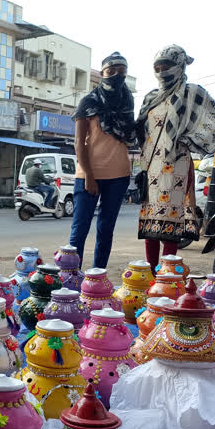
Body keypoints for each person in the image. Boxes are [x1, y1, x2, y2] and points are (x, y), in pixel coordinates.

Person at [136, 45, 215, 270]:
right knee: (150, 225)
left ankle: (167, 276)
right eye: (157, 68)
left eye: (166, 66)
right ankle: (151, 275)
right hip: (151, 166)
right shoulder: (151, 97)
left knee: (169, 223)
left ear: (179, 66)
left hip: (177, 164)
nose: (161, 71)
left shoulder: (193, 93)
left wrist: (193, 142)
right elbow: (141, 130)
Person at [69, 52, 137, 269]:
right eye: (111, 71)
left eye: (122, 72)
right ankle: (71, 279)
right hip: (89, 174)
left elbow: (132, 135)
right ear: (102, 74)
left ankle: (97, 280)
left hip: (119, 175)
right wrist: (89, 176)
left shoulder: (128, 100)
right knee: (79, 230)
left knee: (106, 230)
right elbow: (79, 142)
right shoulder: (89, 102)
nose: (116, 75)